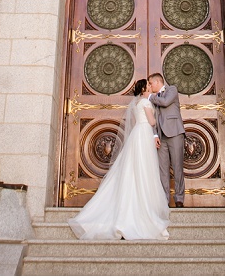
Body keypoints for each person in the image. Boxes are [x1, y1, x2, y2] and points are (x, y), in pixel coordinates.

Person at [67, 78, 171, 240]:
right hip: (144, 134)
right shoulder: (145, 103)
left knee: (133, 168)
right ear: (143, 89)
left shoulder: (137, 104)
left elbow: (137, 121)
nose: (150, 87)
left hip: (137, 134)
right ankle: (141, 208)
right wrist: (158, 120)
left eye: (151, 84)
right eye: (148, 85)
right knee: (144, 169)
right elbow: (151, 121)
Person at [148, 71, 187, 207]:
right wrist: (154, 135)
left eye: (151, 83)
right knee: (163, 170)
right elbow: (151, 118)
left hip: (175, 133)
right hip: (161, 136)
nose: (149, 86)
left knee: (177, 167)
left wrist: (150, 98)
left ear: (158, 82)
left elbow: (165, 102)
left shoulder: (172, 90)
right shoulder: (153, 98)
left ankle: (179, 198)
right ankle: (164, 200)